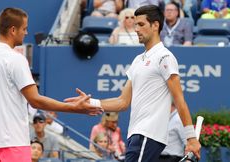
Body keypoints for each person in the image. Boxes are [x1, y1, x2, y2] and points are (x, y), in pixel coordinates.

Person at [65, 5, 201, 162]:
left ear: (155, 25)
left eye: (141, 24)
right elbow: (122, 102)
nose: (136, 29)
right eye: (135, 24)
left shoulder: (165, 57)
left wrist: (191, 138)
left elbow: (179, 100)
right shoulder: (138, 60)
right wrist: (90, 102)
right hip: (135, 135)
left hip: (149, 134)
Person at [0, 7, 103, 162]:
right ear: (13, 30)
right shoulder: (16, 59)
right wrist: (75, 108)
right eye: (24, 29)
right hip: (14, 143)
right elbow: (35, 100)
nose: (26, 33)